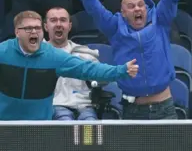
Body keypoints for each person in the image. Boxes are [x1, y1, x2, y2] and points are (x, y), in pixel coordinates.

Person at [72, 0, 185, 120]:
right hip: (133, 111)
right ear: (123, 13)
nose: (138, 9)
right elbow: (95, 9)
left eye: (141, 5)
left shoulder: (160, 20)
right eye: (131, 7)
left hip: (164, 109)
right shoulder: (115, 27)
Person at [0, 10, 138, 120]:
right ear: (17, 32)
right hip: (5, 125)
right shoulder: (3, 52)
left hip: (39, 127)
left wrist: (121, 70)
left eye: (37, 28)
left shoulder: (52, 56)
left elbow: (88, 69)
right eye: (29, 28)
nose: (34, 32)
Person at [45, 7, 100, 121]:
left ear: (69, 26)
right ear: (46, 26)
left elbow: (101, 77)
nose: (58, 24)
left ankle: (87, 139)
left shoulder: (83, 52)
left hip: (84, 106)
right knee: (66, 122)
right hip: (55, 105)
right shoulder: (38, 54)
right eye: (54, 20)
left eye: (63, 20)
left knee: (90, 126)